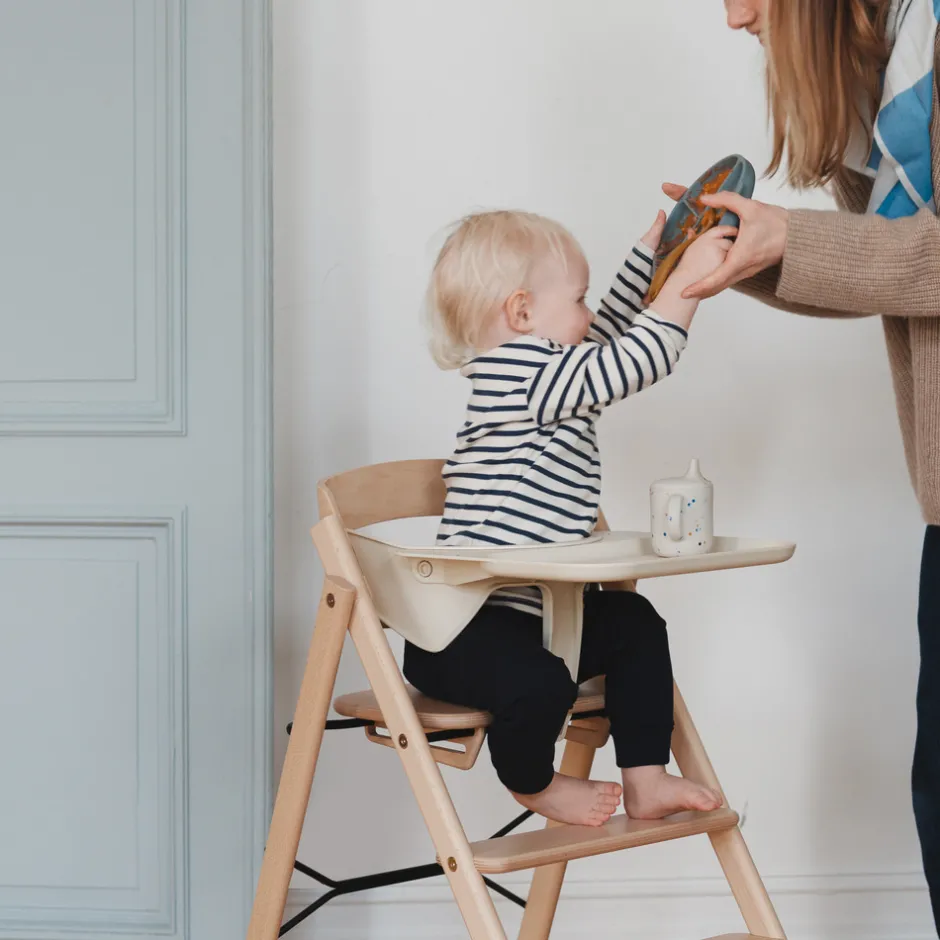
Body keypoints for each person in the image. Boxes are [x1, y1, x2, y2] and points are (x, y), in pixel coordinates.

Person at [665, 0, 940, 928]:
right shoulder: (903, 68)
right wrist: (762, 255)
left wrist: (795, 238)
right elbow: (899, 268)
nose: (734, 15)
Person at [404, 208, 734, 827]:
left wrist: (650, 262)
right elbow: (634, 359)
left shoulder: (546, 370)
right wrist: (686, 281)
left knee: (635, 623)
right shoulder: (523, 378)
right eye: (578, 298)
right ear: (523, 313)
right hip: (459, 632)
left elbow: (602, 338)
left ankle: (644, 776)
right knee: (541, 681)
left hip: (541, 616)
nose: (588, 312)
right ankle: (533, 782)